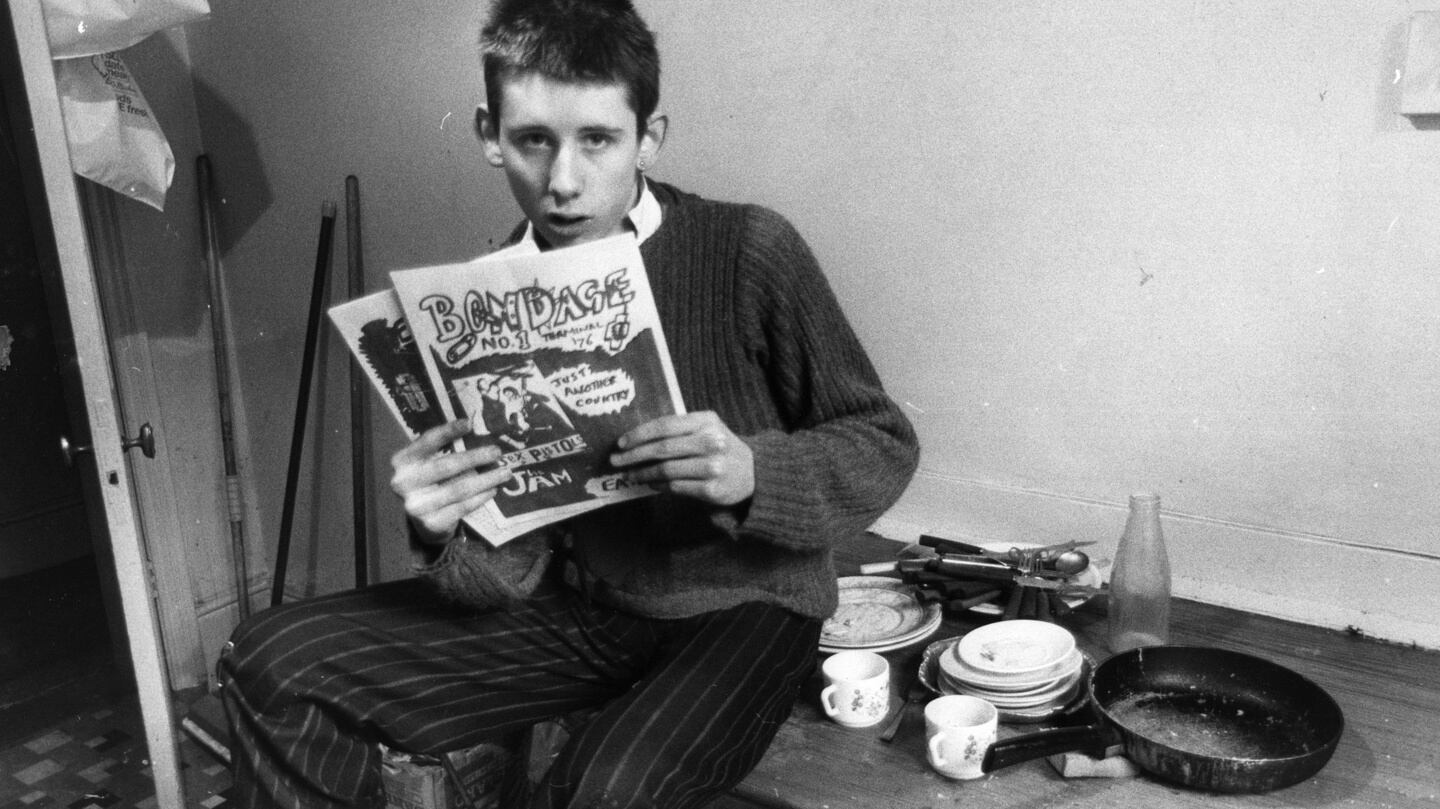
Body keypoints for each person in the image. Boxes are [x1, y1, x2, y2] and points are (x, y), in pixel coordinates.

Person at [219, 1, 919, 807]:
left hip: (750, 608)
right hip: (583, 613)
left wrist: (756, 472)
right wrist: (446, 526)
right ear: (489, 134)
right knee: (272, 660)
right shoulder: (479, 300)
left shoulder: (747, 249)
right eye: (532, 140)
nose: (563, 182)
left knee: (600, 790)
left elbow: (883, 440)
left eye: (598, 139)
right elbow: (501, 581)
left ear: (648, 137)